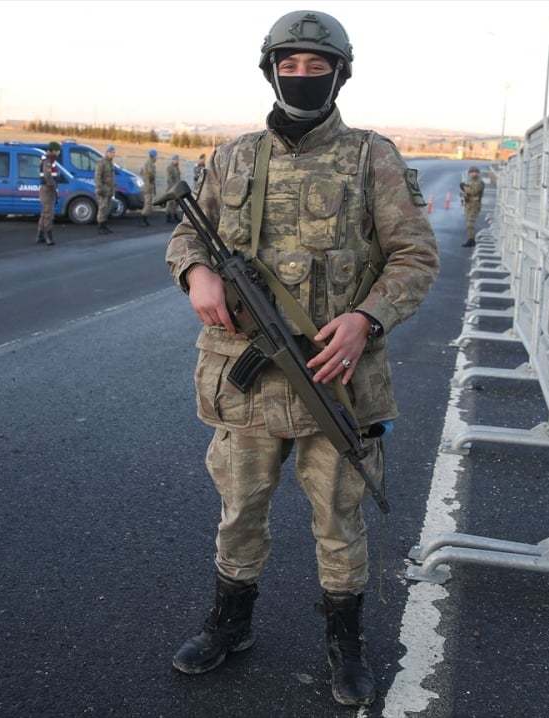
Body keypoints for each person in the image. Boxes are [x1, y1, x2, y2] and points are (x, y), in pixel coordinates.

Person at [164, 10, 439, 708]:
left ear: (340, 74)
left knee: (340, 518)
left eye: (319, 67)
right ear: (271, 69)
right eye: (292, 65)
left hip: (336, 381)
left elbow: (415, 257)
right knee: (239, 509)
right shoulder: (231, 159)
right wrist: (195, 274)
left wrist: (365, 318)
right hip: (246, 386)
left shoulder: (373, 157)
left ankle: (346, 641)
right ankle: (231, 623)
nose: (304, 76)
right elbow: (186, 237)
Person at [36, 142, 61, 245]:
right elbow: (47, 176)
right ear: (53, 151)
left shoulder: (49, 161)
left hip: (46, 189)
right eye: (58, 151)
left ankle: (40, 236)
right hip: (47, 189)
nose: (59, 153)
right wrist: (53, 185)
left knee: (44, 214)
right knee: (48, 215)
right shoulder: (48, 162)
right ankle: (48, 237)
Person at [94, 145, 117, 234]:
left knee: (107, 207)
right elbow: (98, 176)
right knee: (102, 208)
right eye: (111, 152)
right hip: (103, 189)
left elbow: (111, 177)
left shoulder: (110, 163)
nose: (112, 154)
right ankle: (100, 226)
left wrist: (114, 188)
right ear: (107, 152)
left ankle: (104, 225)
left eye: (114, 153)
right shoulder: (102, 162)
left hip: (109, 190)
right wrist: (99, 188)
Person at [460, 166, 484, 247]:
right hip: (469, 204)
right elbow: (469, 192)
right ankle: (471, 239)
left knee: (470, 222)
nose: (473, 174)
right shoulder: (471, 182)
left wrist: (464, 188)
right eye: (472, 172)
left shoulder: (479, 182)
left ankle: (471, 240)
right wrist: (464, 194)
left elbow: (474, 191)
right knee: (468, 223)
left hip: (474, 204)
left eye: (475, 172)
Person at [139, 149, 158, 226]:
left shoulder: (147, 163)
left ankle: (145, 219)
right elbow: (151, 174)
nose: (156, 158)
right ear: (153, 156)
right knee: (147, 204)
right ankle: (143, 219)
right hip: (148, 186)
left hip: (147, 186)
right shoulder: (149, 163)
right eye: (156, 156)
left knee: (148, 203)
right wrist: (152, 180)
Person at [165, 154, 182, 223]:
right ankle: (168, 216)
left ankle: (175, 216)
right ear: (173, 160)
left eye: (178, 160)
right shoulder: (170, 168)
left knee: (176, 203)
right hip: (171, 188)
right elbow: (170, 179)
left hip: (176, 187)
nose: (178, 161)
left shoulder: (177, 167)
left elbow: (178, 177)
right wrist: (173, 188)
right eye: (176, 160)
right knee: (170, 203)